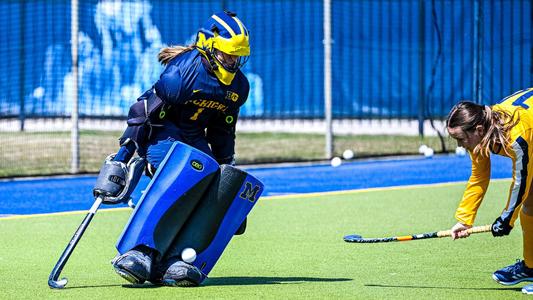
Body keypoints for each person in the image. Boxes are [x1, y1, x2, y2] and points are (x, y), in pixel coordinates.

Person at [92, 10, 253, 286]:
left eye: (238, 56)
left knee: (211, 179)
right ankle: (140, 251)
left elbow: (222, 130)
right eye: (228, 54)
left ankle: (175, 261)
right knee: (189, 172)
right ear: (210, 49)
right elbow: (144, 112)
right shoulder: (181, 75)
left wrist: (227, 181)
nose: (234, 61)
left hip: (192, 137)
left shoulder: (238, 87)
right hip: (162, 136)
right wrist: (123, 156)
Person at [446, 88, 533, 293]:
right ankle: (531, 266)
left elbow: (521, 181)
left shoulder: (517, 137)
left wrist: (506, 219)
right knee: (530, 203)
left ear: (477, 130)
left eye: (460, 139)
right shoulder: (483, 132)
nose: (459, 146)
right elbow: (479, 177)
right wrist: (465, 219)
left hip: (530, 129)